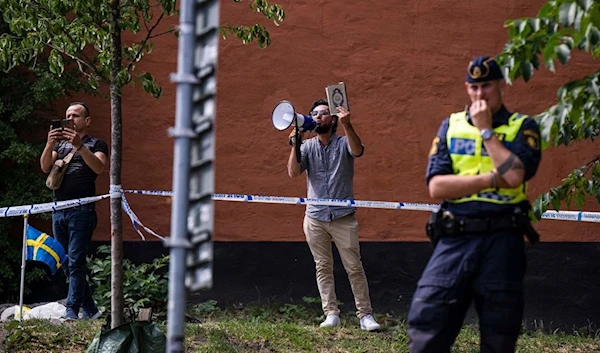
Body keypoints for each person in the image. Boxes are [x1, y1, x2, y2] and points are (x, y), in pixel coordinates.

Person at [407, 56, 542, 352]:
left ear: (500, 85)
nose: (480, 94)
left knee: (499, 335)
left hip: (502, 241)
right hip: (455, 238)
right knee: (426, 324)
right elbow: (436, 186)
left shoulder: (523, 126)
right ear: (467, 88)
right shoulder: (451, 125)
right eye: (474, 87)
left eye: (487, 86)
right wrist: (493, 178)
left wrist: (486, 132)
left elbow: (517, 175)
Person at [287, 99, 381, 331]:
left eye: (323, 113)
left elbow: (357, 150)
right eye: (314, 114)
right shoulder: (307, 146)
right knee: (323, 267)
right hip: (315, 217)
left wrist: (348, 125)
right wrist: (294, 145)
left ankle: (365, 315)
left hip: (342, 217)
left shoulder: (342, 143)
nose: (318, 117)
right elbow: (293, 172)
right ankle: (331, 313)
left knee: (354, 267)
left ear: (333, 119)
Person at [40, 102, 108, 320]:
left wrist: (79, 146)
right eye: (68, 115)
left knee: (76, 260)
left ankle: (72, 311)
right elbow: (44, 167)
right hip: (58, 210)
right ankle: (91, 309)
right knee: (67, 261)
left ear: (86, 121)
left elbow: (98, 167)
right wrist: (49, 144)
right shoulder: (59, 146)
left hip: (82, 210)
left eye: (76, 116)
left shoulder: (96, 143)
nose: (71, 119)